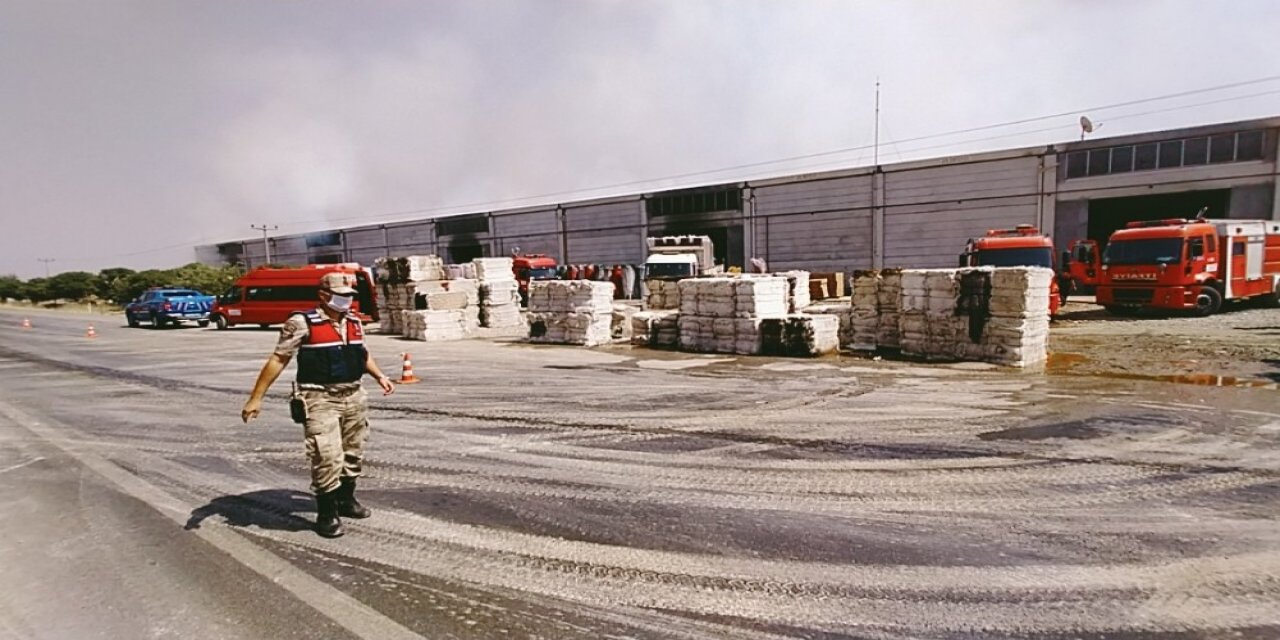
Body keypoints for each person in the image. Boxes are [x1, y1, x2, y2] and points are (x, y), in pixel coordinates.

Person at [241, 271, 396, 538]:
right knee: (326, 455)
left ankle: (345, 500)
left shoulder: (354, 321)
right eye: (341, 296)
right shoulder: (301, 323)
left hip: (353, 394)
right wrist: (256, 397)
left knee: (353, 451)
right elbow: (278, 359)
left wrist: (380, 375)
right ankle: (327, 513)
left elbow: (362, 353)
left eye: (350, 296)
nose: (347, 300)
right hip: (319, 397)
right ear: (324, 296)